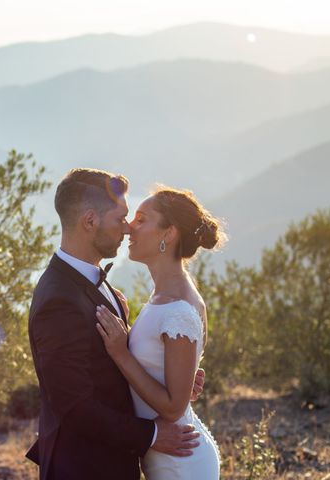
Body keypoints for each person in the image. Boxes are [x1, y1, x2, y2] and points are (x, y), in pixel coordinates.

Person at [26, 169, 205, 480]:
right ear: (90, 221)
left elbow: (111, 370)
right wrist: (150, 434)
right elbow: (74, 406)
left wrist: (168, 376)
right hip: (83, 467)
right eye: (120, 219)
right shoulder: (58, 300)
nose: (126, 229)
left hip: (114, 462)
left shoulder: (99, 284)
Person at [95, 185, 223, 479]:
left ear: (169, 233)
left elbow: (173, 407)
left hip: (180, 464)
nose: (129, 228)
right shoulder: (164, 296)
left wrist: (120, 352)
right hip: (167, 457)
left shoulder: (179, 307)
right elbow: (164, 371)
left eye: (141, 220)